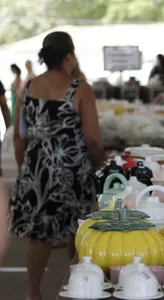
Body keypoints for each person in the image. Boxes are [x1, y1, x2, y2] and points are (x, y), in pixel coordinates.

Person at [11, 31, 105, 300]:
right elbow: (92, 139)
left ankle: (33, 292)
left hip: (36, 171)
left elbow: (20, 135)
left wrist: (25, 170)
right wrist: (98, 163)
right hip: (72, 171)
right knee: (77, 232)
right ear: (69, 56)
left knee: (38, 237)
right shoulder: (80, 89)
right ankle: (80, 287)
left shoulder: (27, 89)